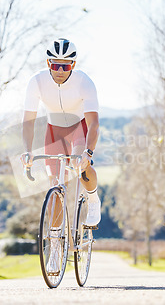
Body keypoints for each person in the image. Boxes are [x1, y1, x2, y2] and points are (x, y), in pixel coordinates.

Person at [21, 38, 101, 227]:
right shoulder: (36, 82)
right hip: (54, 131)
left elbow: (94, 124)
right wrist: (27, 150)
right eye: (55, 65)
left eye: (65, 67)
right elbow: (28, 121)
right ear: (49, 63)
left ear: (73, 65)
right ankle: (55, 241)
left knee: (80, 164)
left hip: (79, 128)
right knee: (54, 183)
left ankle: (93, 199)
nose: (59, 71)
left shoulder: (84, 82)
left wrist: (88, 153)